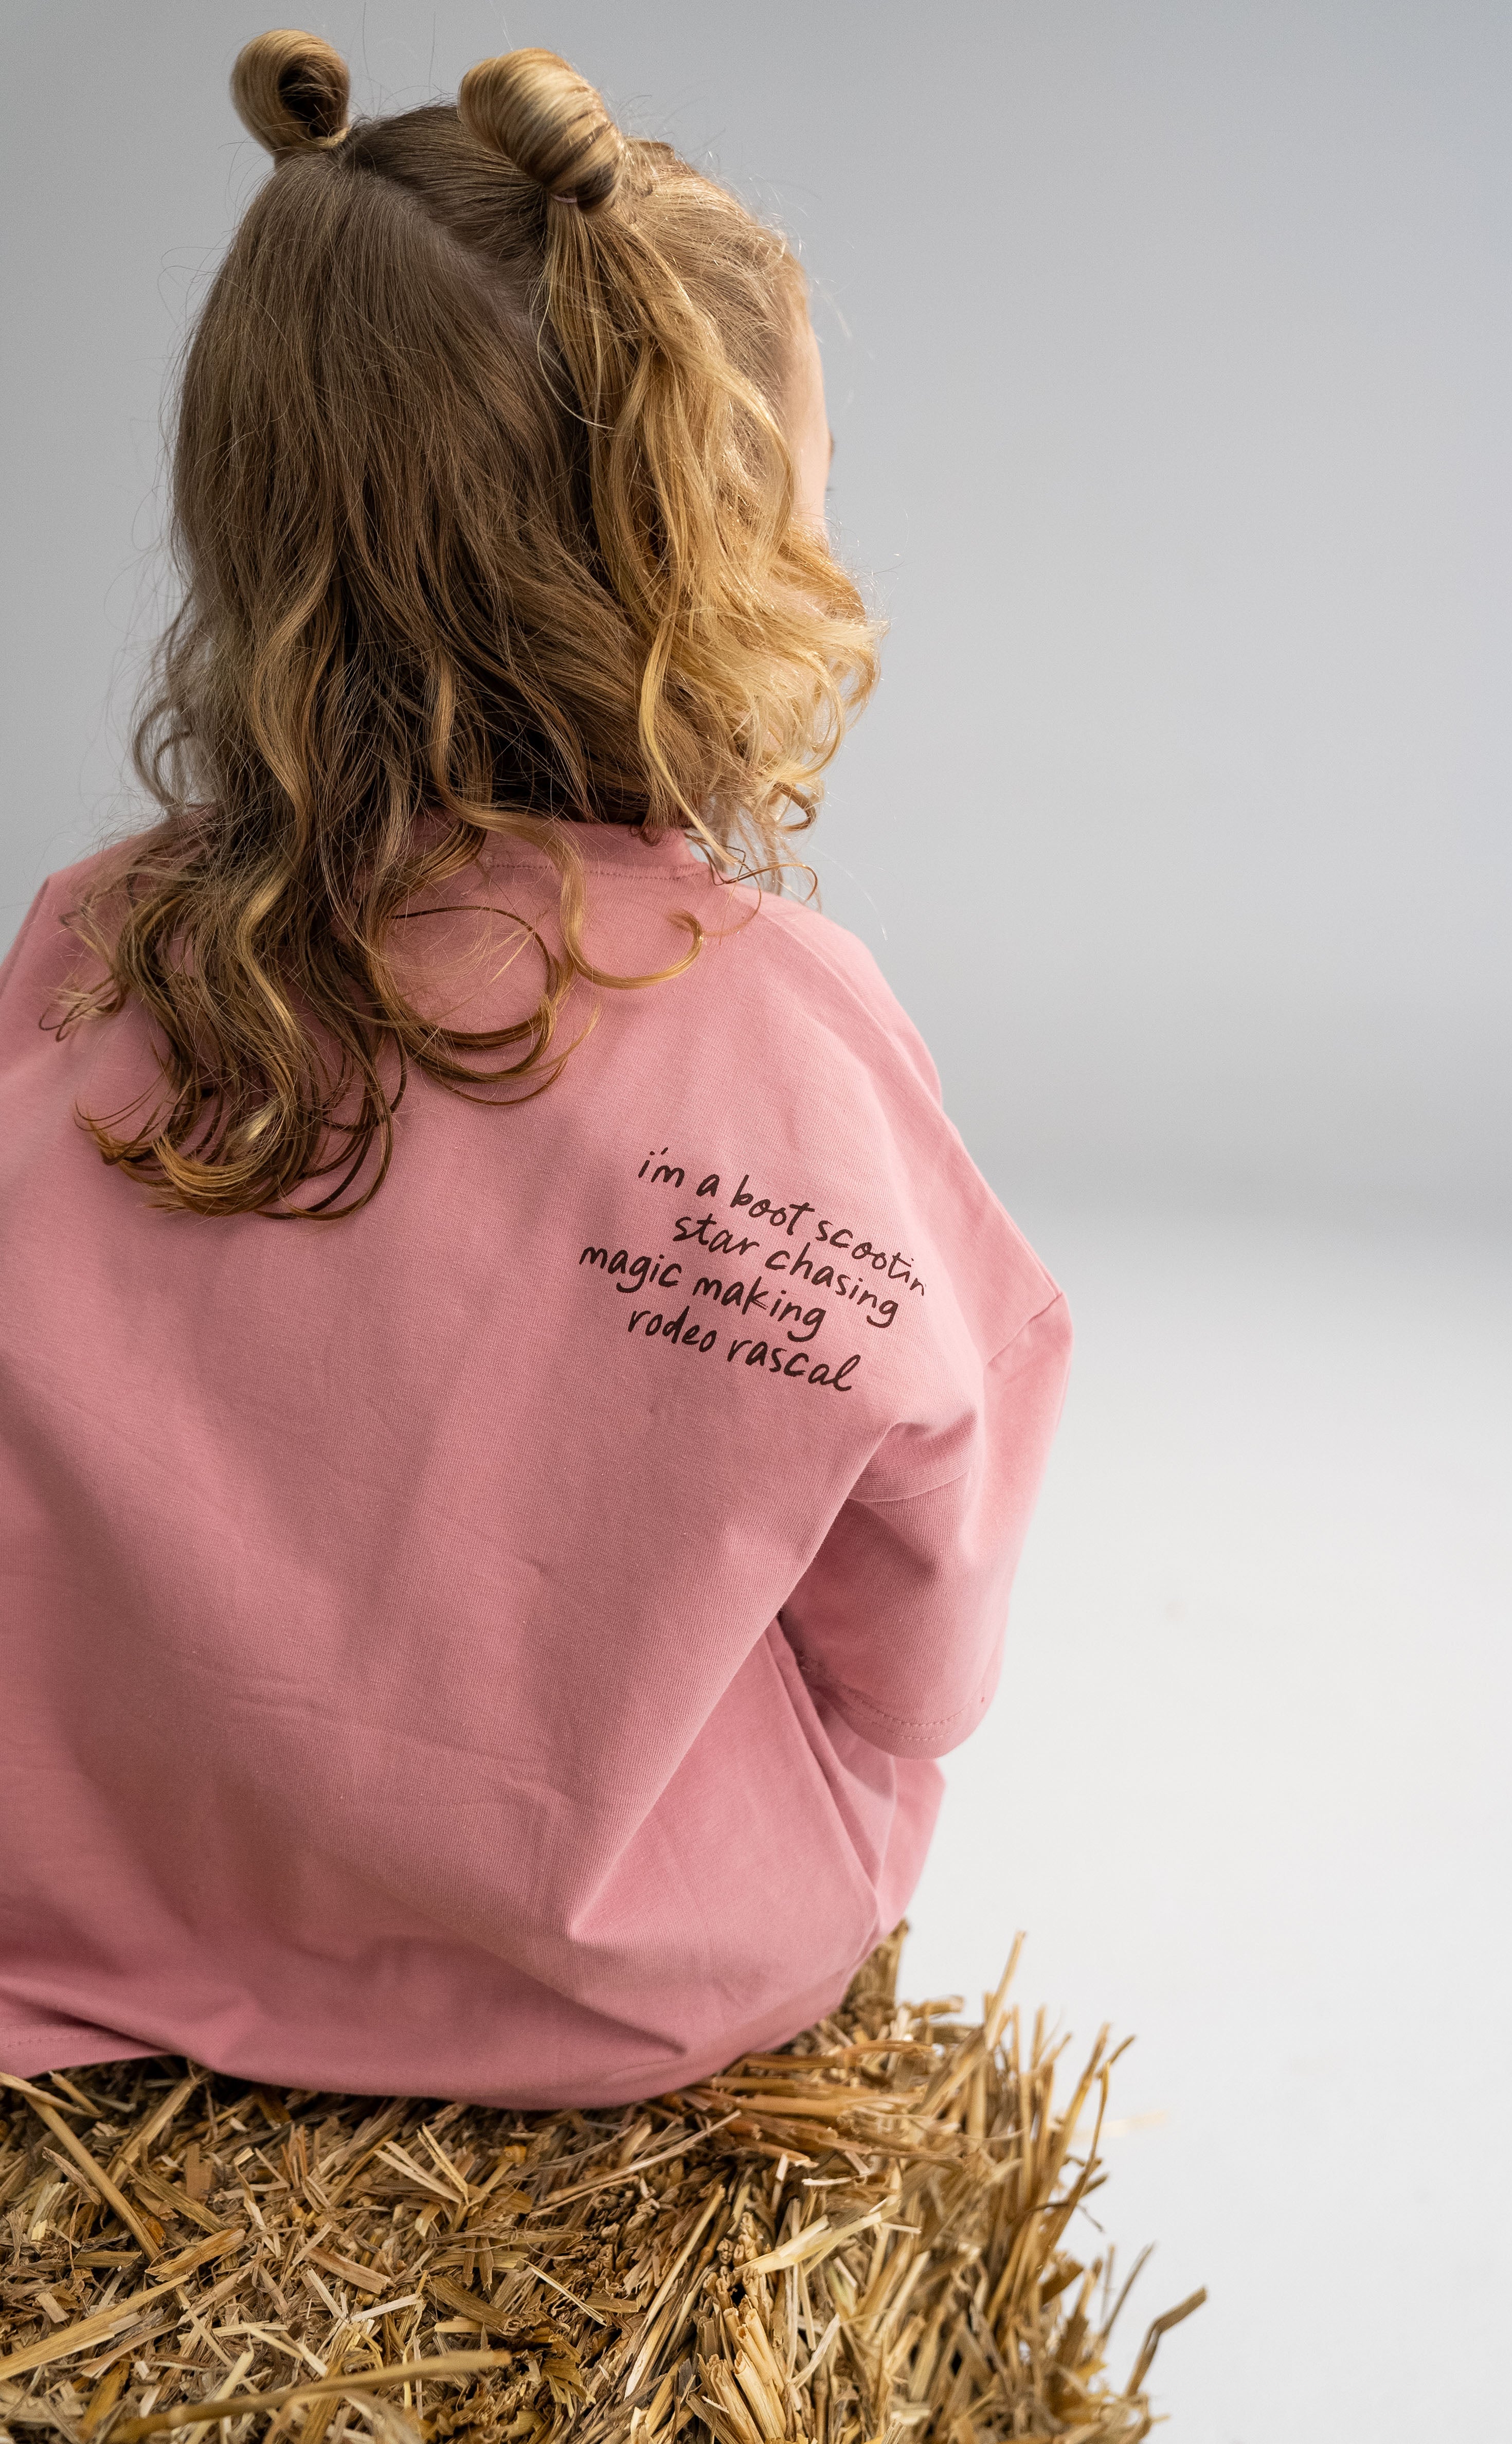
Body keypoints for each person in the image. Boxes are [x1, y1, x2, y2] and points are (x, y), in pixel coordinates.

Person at [0, 35, 1071, 2108]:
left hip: (75, 1898)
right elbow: (922, 1654)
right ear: (713, 561)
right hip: (615, 1978)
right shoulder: (788, 1035)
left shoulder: (83, 941)